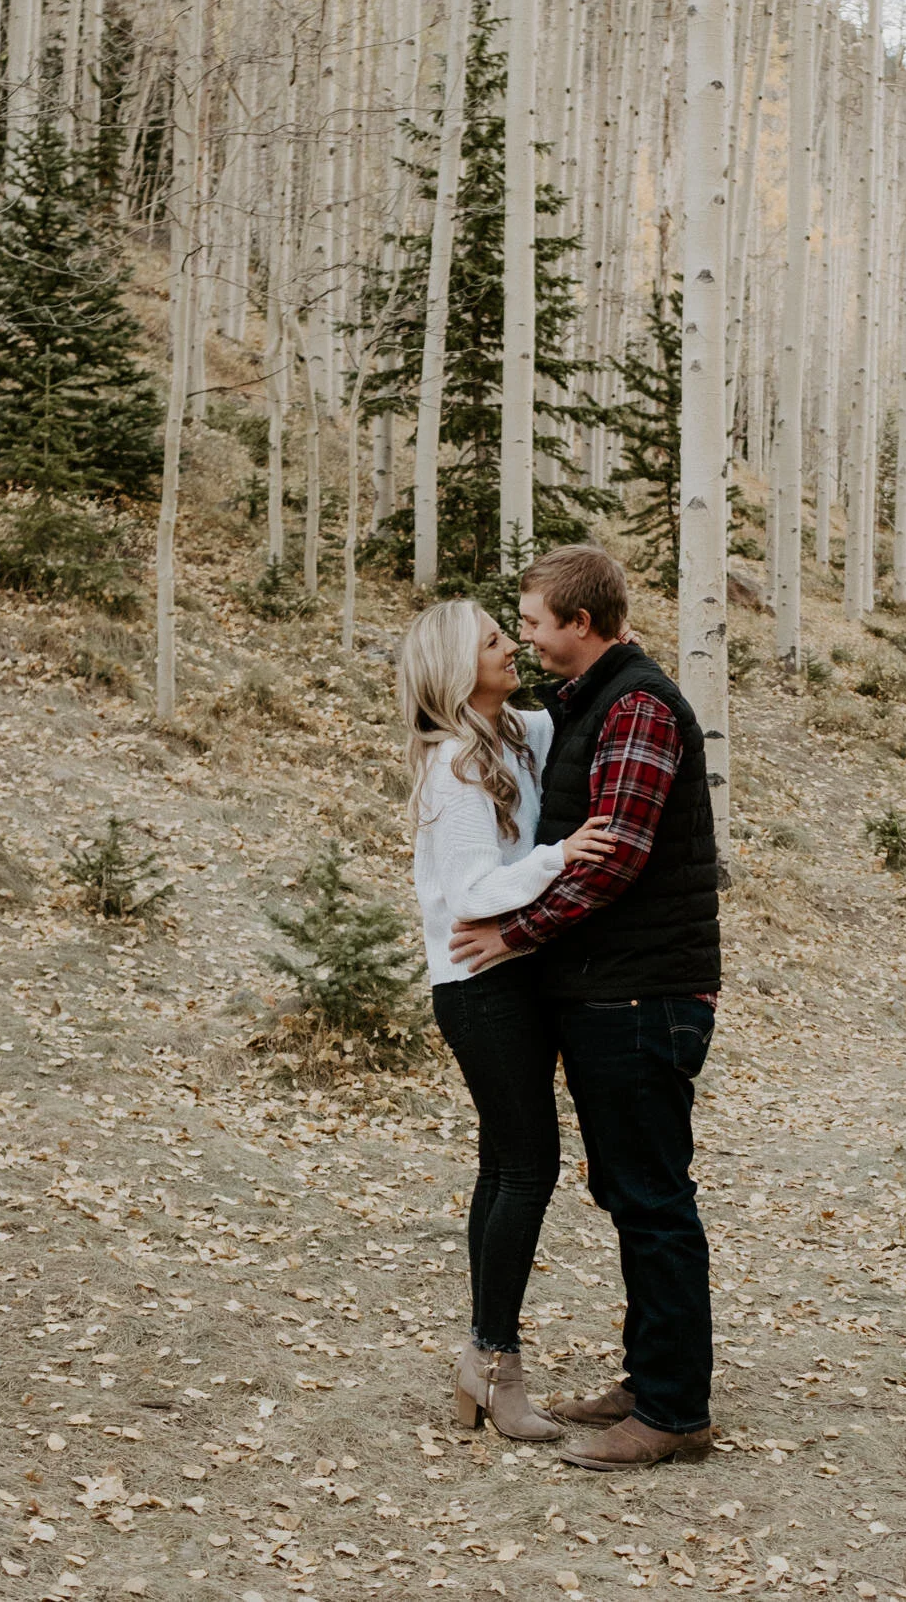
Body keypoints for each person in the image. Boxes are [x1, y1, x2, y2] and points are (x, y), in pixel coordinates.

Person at [450, 545, 722, 1472]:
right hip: (613, 990)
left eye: (533, 622)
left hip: (642, 993)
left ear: (581, 622)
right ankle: (651, 1381)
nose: (525, 636)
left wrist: (515, 933)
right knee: (630, 1190)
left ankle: (674, 1410)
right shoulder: (586, 702)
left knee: (652, 1197)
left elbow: (617, 857)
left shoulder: (637, 705)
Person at [398, 599, 613, 1443]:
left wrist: (611, 649)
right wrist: (563, 854)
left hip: (512, 976)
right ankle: (496, 1364)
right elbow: (471, 892)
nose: (512, 645)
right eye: (494, 640)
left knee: (505, 1165)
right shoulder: (454, 765)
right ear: (459, 669)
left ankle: (479, 1363)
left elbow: (575, 708)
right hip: (477, 985)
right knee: (527, 1167)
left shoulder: (515, 733)